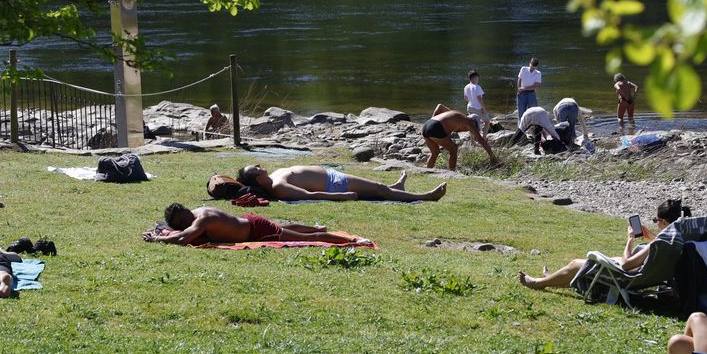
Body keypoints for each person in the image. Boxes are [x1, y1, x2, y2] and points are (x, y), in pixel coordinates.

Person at [518, 199, 692, 290]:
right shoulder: (678, 239)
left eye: (656, 220)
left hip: (628, 279)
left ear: (663, 221)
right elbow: (658, 251)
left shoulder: (660, 243)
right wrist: (652, 238)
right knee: (589, 265)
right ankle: (550, 278)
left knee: (576, 264)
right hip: (646, 277)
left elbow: (626, 264)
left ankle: (538, 284)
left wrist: (630, 239)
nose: (654, 223)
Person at [146, 204, 370, 245]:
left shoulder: (201, 219)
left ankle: (354, 241)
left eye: (184, 219)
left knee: (306, 240)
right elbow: (183, 233)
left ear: (186, 211)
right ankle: (318, 227)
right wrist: (165, 231)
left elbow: (185, 238)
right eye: (182, 223)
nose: (187, 223)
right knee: (285, 226)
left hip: (256, 231)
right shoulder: (199, 209)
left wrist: (159, 237)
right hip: (250, 221)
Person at [236, 164, 446, 202]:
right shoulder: (278, 188)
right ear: (258, 178)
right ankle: (426, 196)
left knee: (378, 189)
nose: (258, 165)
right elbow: (309, 196)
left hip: (331, 176)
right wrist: (341, 196)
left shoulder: (273, 177)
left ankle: (397, 189)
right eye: (255, 168)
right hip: (334, 185)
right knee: (380, 190)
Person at [422, 104, 498, 171]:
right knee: (453, 149)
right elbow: (480, 139)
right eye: (474, 127)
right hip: (435, 127)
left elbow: (440, 106)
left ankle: (427, 172)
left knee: (435, 153)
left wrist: (432, 123)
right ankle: (452, 173)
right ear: (473, 121)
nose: (468, 130)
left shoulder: (455, 114)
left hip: (426, 125)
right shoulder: (468, 121)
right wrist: (492, 156)